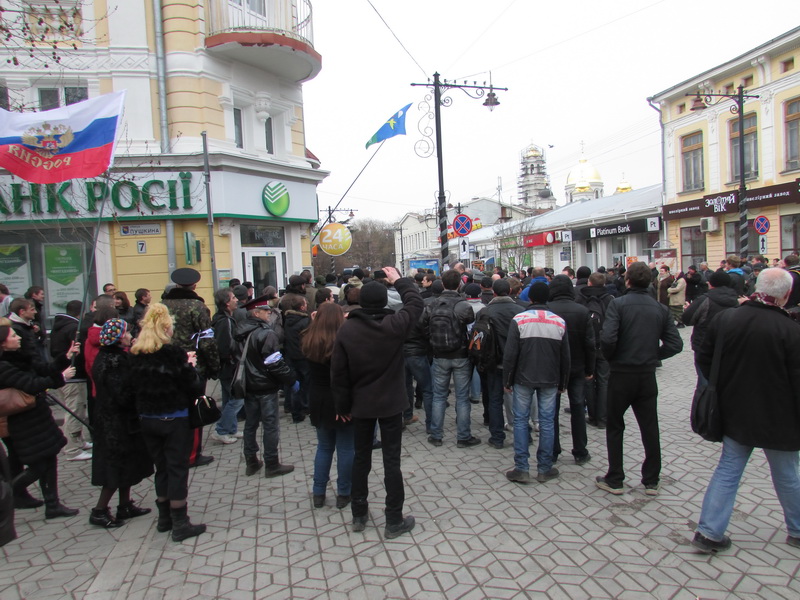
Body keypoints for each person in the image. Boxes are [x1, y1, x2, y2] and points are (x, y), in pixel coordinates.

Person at [692, 268, 800, 554]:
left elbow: (703, 357)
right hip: (780, 418)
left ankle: (709, 532)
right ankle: (798, 529)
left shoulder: (727, 319)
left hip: (734, 411)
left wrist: (721, 385)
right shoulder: (790, 331)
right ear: (786, 295)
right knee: (788, 474)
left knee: (728, 471)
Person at [331, 268, 422, 538]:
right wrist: (399, 280)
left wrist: (342, 407)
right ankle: (393, 519)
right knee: (391, 461)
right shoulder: (394, 325)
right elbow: (415, 302)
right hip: (392, 404)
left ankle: (359, 514)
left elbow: (339, 373)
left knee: (361, 458)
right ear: (384, 301)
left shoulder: (348, 329)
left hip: (361, 405)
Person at [595, 262, 683, 496]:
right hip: (646, 375)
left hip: (621, 374)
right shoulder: (659, 309)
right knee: (649, 426)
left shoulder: (618, 304)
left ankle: (615, 477)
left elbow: (608, 337)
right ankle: (651, 479)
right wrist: (653, 356)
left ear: (628, 281)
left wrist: (612, 357)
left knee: (615, 425)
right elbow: (676, 344)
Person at [128, 303, 206, 542]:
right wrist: (191, 367)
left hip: (147, 419)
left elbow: (129, 387)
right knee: (177, 469)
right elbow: (192, 386)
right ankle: (180, 522)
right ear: (164, 328)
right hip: (174, 418)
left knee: (161, 468)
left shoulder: (136, 353)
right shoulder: (172, 353)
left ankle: (164, 519)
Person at [1, 317, 81, 518]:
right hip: (25, 420)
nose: (18, 337)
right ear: (3, 343)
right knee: (37, 466)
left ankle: (52, 505)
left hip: (39, 415)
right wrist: (61, 378)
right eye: (13, 336)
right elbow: (31, 384)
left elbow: (44, 370)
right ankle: (7, 496)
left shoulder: (21, 356)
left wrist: (66, 356)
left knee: (50, 459)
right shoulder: (3, 366)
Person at [503, 283, 570, 485]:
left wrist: (507, 379)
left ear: (530, 298)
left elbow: (510, 354)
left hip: (523, 377)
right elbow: (565, 356)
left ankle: (522, 468)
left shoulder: (520, 319)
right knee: (547, 422)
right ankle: (544, 468)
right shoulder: (559, 322)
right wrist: (563, 381)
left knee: (521, 421)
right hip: (550, 378)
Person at [89, 319, 153, 528]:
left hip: (119, 420)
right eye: (125, 333)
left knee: (128, 463)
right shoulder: (113, 361)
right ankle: (100, 510)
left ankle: (125, 504)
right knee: (115, 466)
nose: (129, 335)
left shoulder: (113, 356)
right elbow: (123, 394)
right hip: (114, 423)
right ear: (117, 337)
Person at [161, 268, 220, 468]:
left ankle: (171, 449)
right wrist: (214, 365)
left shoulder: (161, 306)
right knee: (195, 408)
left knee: (171, 408)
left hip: (163, 364)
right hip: (192, 365)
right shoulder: (197, 306)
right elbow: (206, 340)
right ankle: (192, 454)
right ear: (194, 285)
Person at [235, 295, 297, 478]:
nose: (270, 313)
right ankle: (272, 463)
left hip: (248, 384)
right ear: (256, 313)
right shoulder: (266, 333)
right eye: (266, 311)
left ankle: (251, 461)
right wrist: (291, 380)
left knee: (251, 424)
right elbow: (274, 362)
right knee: (270, 425)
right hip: (265, 385)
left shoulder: (240, 331)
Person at [301, 302, 353, 510]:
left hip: (318, 397)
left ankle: (318, 492)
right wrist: (345, 405)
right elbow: (345, 377)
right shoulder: (344, 341)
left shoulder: (308, 338)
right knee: (346, 447)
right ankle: (344, 492)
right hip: (340, 398)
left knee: (324, 447)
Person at [423, 269, 478, 448]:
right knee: (462, 397)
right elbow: (470, 324)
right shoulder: (463, 305)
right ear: (459, 284)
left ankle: (436, 435)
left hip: (439, 355)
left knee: (439, 396)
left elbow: (423, 325)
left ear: (443, 284)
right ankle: (463, 437)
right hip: (460, 354)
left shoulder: (432, 304)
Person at [546, 275, 594, 466]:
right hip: (578, 366)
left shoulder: (548, 310)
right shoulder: (582, 311)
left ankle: (553, 450)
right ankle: (580, 451)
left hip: (553, 367)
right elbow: (590, 344)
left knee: (551, 410)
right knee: (577, 408)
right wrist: (590, 369)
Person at [478, 278, 524, 449]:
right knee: (520, 399)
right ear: (511, 292)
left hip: (494, 361)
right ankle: (523, 435)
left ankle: (497, 437)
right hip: (518, 362)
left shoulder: (486, 311)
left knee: (495, 399)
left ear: (494, 293)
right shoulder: (521, 310)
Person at [49, 300, 91, 458]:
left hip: (64, 373)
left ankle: (79, 441)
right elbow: (78, 353)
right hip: (74, 375)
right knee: (75, 411)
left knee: (76, 409)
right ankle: (72, 449)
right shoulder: (75, 328)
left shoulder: (59, 326)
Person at [682, 270, 738, 385]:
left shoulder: (705, 299)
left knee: (704, 382)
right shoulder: (737, 300)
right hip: (730, 344)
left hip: (704, 345)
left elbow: (687, 319)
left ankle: (705, 402)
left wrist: (687, 310)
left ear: (711, 284)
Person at [210, 288, 243, 444]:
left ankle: (231, 429)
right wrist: (233, 358)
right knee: (237, 398)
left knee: (228, 397)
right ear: (226, 302)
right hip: (229, 366)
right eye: (234, 297)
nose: (237, 300)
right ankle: (221, 430)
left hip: (227, 366)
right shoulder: (224, 321)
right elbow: (225, 346)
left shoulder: (224, 318)